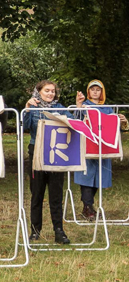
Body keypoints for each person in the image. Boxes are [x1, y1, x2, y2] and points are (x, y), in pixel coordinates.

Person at [24, 80, 84, 244]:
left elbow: (75, 124)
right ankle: (35, 231)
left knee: (56, 195)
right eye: (47, 90)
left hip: (57, 155)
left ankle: (59, 231)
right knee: (37, 194)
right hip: (37, 152)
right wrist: (28, 108)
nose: (50, 93)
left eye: (53, 91)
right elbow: (26, 126)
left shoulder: (60, 108)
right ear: (39, 92)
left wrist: (78, 106)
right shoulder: (33, 107)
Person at [73, 80, 128, 221]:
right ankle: (87, 207)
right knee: (86, 177)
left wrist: (121, 121)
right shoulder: (85, 106)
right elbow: (76, 121)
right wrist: (79, 105)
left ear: (102, 92)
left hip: (104, 148)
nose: (95, 92)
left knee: (99, 179)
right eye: (93, 89)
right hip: (88, 146)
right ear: (88, 92)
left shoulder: (108, 108)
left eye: (98, 89)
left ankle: (88, 206)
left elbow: (114, 128)